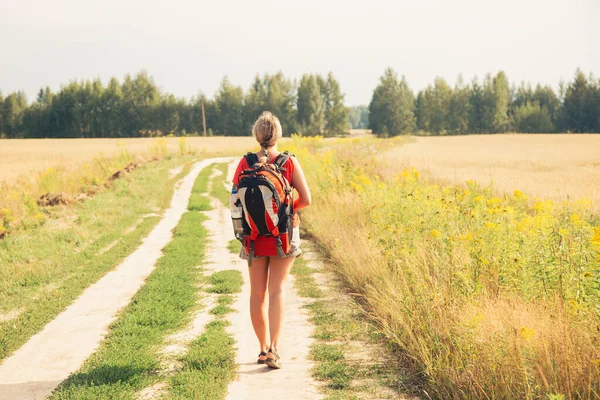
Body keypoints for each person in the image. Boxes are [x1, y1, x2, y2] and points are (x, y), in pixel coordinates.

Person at [230, 111, 311, 369]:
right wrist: (286, 212)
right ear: (278, 134)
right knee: (277, 290)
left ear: (257, 135)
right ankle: (275, 350)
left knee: (257, 292)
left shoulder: (245, 163)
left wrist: (245, 232)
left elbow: (234, 202)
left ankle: (262, 349)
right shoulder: (288, 162)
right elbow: (306, 199)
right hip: (283, 236)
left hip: (253, 238)